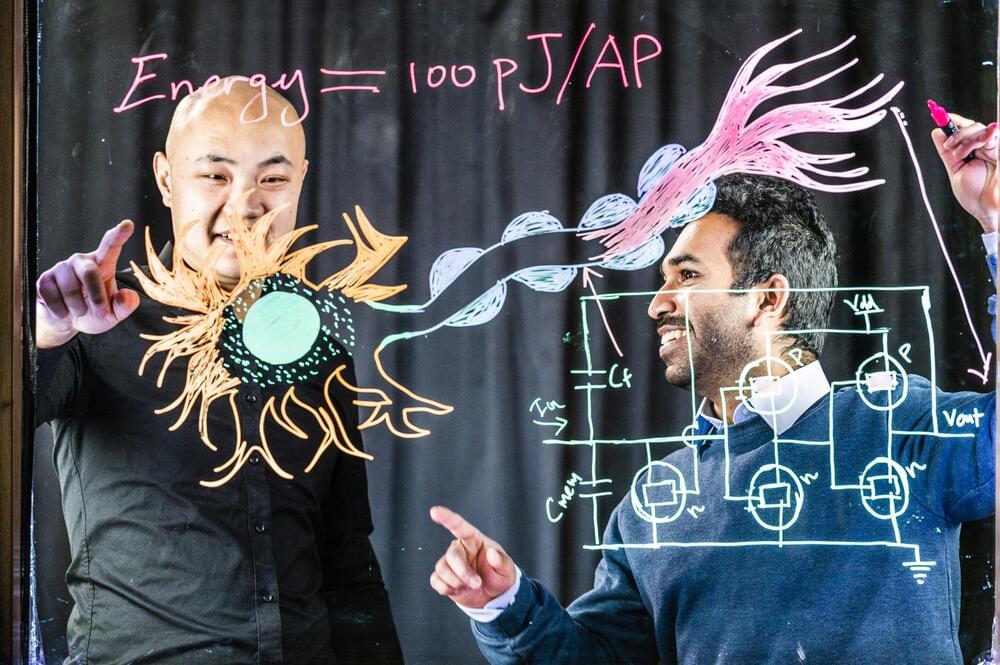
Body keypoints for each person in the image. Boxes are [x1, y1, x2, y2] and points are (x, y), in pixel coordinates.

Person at [429, 115, 998, 664]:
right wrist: (504, 606)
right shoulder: (654, 502)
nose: (657, 304)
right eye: (664, 280)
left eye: (687, 275)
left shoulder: (898, 425)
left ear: (768, 298)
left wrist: (996, 217)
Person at [34, 79, 404, 664]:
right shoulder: (93, 324)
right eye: (215, 174)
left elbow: (347, 558)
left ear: (301, 182)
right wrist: (44, 335)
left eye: (273, 179)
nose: (244, 204)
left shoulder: (321, 345)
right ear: (166, 179)